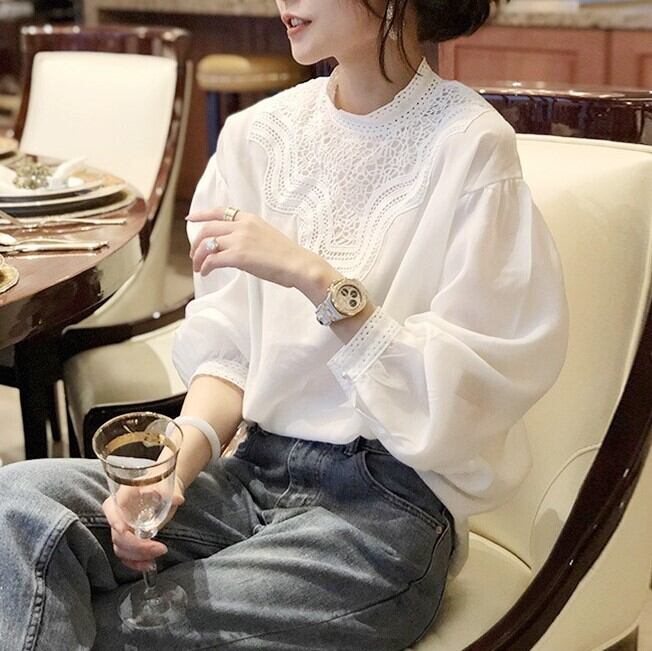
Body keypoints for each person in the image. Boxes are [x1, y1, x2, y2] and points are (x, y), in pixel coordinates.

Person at [0, 0, 568, 648]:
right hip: (248, 475)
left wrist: (315, 278)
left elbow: (469, 396)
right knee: (17, 505)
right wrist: (170, 472)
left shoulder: (470, 146)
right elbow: (229, 357)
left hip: (384, 513)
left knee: (106, 624)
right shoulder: (256, 137)